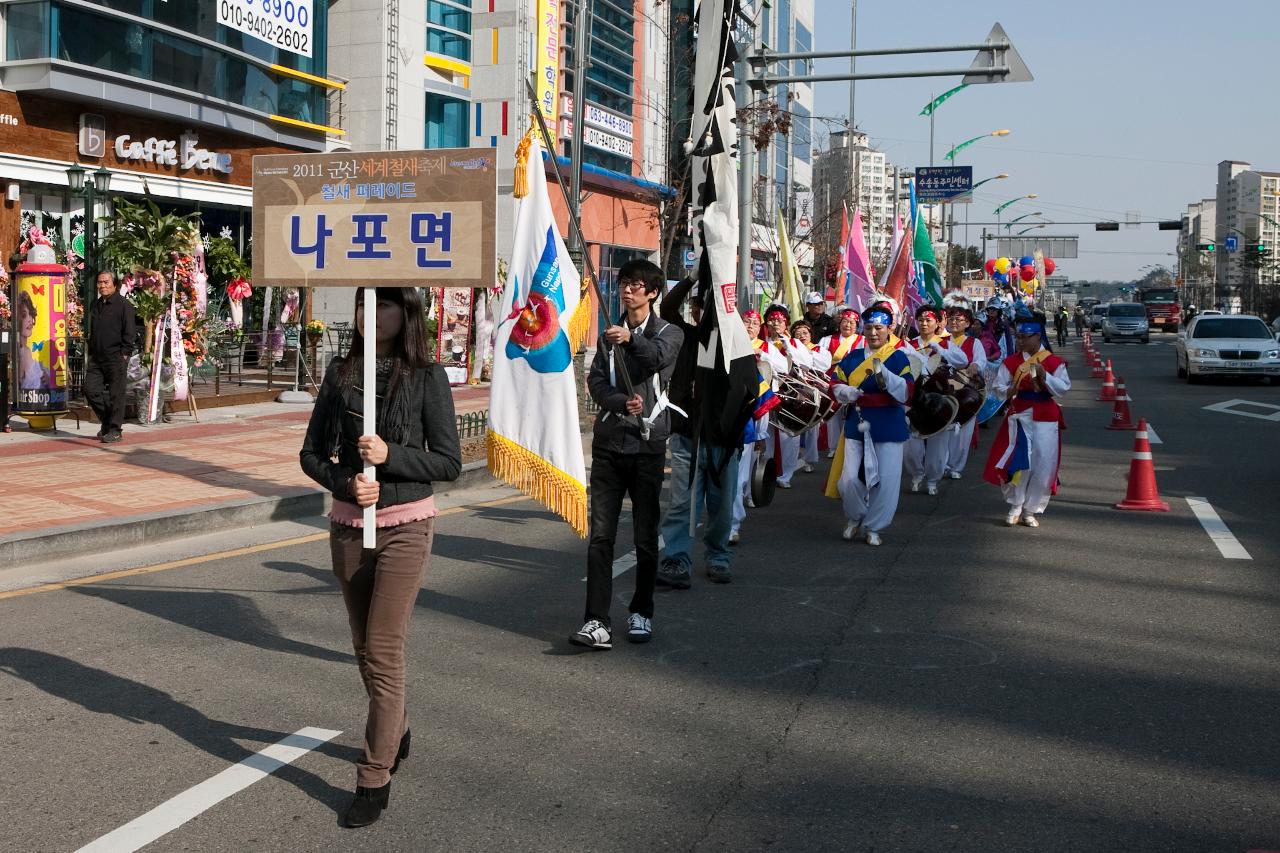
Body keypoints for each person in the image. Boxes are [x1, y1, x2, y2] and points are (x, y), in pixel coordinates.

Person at [299, 286, 461, 828]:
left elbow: (448, 462)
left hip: (406, 526)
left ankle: (373, 777)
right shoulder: (341, 374)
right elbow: (311, 453)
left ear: (407, 313)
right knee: (363, 648)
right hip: (349, 525)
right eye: (365, 304)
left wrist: (392, 457)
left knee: (385, 651)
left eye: (385, 303)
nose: (373, 314)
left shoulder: (427, 376)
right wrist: (346, 480)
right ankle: (398, 726)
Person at [573, 259, 682, 649]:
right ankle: (595, 620)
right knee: (600, 536)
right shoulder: (608, 332)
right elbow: (596, 380)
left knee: (644, 536)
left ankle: (642, 611)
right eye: (623, 284)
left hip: (647, 446)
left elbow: (653, 360)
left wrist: (629, 340)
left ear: (652, 292)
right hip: (608, 444)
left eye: (636, 285)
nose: (627, 290)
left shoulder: (670, 332)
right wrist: (619, 402)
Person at [656, 278, 741, 589]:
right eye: (697, 306)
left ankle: (718, 557)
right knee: (681, 504)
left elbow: (749, 391)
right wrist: (693, 276)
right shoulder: (686, 338)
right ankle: (677, 558)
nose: (702, 313)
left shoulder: (736, 346)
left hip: (724, 442)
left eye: (709, 307)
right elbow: (666, 307)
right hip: (687, 439)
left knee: (721, 506)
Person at [828, 301, 915, 546]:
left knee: (886, 480)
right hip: (858, 420)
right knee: (848, 479)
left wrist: (885, 377)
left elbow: (908, 390)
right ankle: (855, 516)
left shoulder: (898, 357)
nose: (874, 333)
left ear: (889, 330)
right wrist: (846, 391)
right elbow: (834, 381)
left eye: (879, 328)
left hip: (888, 423)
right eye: (869, 328)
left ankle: (875, 526)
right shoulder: (853, 356)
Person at [982, 310, 1070, 528]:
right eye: (1019, 337)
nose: (1020, 341)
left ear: (1038, 337)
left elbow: (1063, 388)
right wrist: (1009, 390)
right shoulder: (1011, 362)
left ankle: (1031, 509)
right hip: (1019, 416)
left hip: (1046, 417)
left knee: (1044, 464)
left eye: (1025, 337)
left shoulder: (1054, 362)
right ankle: (1016, 505)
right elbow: (997, 387)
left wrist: (1044, 376)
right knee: (1021, 462)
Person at [730, 309, 787, 545]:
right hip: (723, 411)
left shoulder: (765, 346)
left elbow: (783, 367)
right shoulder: (726, 344)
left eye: (755, 322)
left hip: (754, 406)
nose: (751, 325)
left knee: (747, 457)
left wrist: (762, 356)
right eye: (747, 321)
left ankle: (735, 516)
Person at [903, 304, 967, 496]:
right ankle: (916, 474)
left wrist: (941, 349)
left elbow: (963, 361)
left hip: (939, 400)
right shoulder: (909, 344)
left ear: (938, 322)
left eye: (928, 320)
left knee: (937, 446)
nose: (923, 323)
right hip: (914, 401)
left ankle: (933, 479)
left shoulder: (947, 342)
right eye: (920, 320)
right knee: (911, 445)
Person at [762, 303, 821, 489]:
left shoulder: (794, 343)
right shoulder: (761, 342)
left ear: (786, 323)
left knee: (789, 436)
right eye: (771, 319)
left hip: (790, 393)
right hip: (765, 392)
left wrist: (788, 345)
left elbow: (806, 362)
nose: (775, 323)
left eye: (779, 320)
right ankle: (766, 472)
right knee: (765, 435)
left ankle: (786, 474)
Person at [84, 271, 137, 443]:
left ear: (114, 284)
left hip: (116, 357)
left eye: (106, 282)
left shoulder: (124, 305)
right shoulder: (96, 304)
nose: (102, 286)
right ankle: (107, 421)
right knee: (90, 390)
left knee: (116, 395)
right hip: (97, 358)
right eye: (100, 283)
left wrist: (124, 354)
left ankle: (115, 430)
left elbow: (130, 332)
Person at [942, 305, 988, 480]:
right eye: (951, 319)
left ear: (967, 323)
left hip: (965, 392)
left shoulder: (973, 342)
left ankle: (955, 466)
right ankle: (942, 463)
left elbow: (981, 360)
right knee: (942, 428)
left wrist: (976, 365)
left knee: (963, 431)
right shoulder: (941, 341)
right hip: (944, 390)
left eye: (959, 319)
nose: (954, 322)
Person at [814, 307, 863, 459]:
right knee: (833, 417)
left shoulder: (863, 341)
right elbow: (818, 361)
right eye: (845, 321)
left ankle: (851, 444)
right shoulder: (827, 340)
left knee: (852, 414)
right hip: (831, 383)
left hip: (853, 383)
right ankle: (834, 447)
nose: (848, 325)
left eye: (852, 322)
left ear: (857, 325)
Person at [16, 290, 50, 391]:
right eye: (24, 315)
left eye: (30, 314)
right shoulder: (22, 352)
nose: (30, 319)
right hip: (31, 403)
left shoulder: (27, 351)